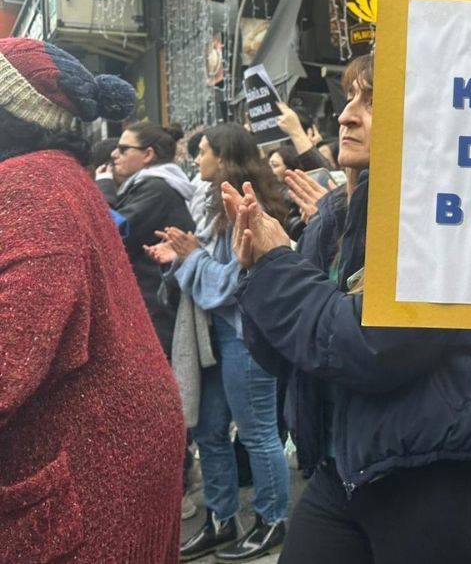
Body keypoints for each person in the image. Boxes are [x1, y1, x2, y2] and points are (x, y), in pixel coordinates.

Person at [225, 54, 471, 563]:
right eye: (350, 98)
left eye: (372, 102)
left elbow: (369, 346)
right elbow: (287, 355)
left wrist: (276, 267)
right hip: (342, 472)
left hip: (437, 479)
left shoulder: (450, 214)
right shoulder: (334, 217)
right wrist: (256, 267)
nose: (346, 116)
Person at [0, 38, 184, 562]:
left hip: (93, 461)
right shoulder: (56, 177)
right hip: (114, 444)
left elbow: (12, 352)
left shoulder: (30, 185)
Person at [148, 124, 292, 562]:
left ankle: (272, 520)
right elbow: (208, 267)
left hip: (245, 334)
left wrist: (192, 258)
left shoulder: (249, 207)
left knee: (257, 433)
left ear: (225, 157)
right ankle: (221, 519)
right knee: (208, 431)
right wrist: (182, 257)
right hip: (210, 336)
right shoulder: (210, 202)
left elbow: (235, 281)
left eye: (204, 151)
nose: (196, 159)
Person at [96, 120, 196, 355]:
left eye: (123, 149)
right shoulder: (145, 186)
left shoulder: (156, 189)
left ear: (148, 154)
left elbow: (109, 232)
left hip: (156, 308)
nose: (114, 155)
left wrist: (105, 188)